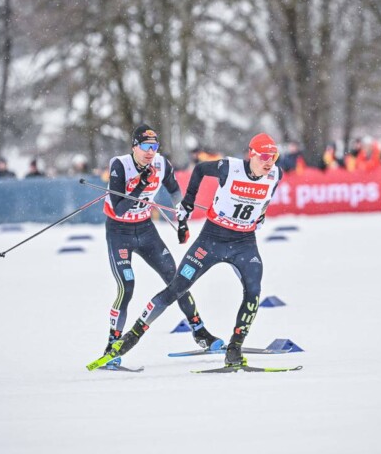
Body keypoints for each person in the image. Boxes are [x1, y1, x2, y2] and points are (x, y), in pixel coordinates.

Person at [98, 132, 283, 369]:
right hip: (210, 239)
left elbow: (265, 197)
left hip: (244, 242)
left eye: (274, 156)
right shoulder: (229, 167)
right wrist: (187, 202)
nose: (270, 162)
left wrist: (261, 214)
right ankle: (126, 340)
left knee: (253, 291)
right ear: (251, 154)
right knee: (172, 286)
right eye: (265, 156)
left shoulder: (276, 174)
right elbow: (199, 171)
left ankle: (233, 348)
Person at [101, 123, 221, 367]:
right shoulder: (119, 165)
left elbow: (175, 192)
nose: (150, 152)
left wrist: (182, 221)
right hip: (119, 231)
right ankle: (112, 345)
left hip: (145, 230)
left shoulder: (161, 163)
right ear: (134, 146)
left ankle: (200, 333)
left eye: (154, 146)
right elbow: (119, 208)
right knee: (127, 286)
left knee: (177, 279)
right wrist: (142, 184)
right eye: (145, 146)